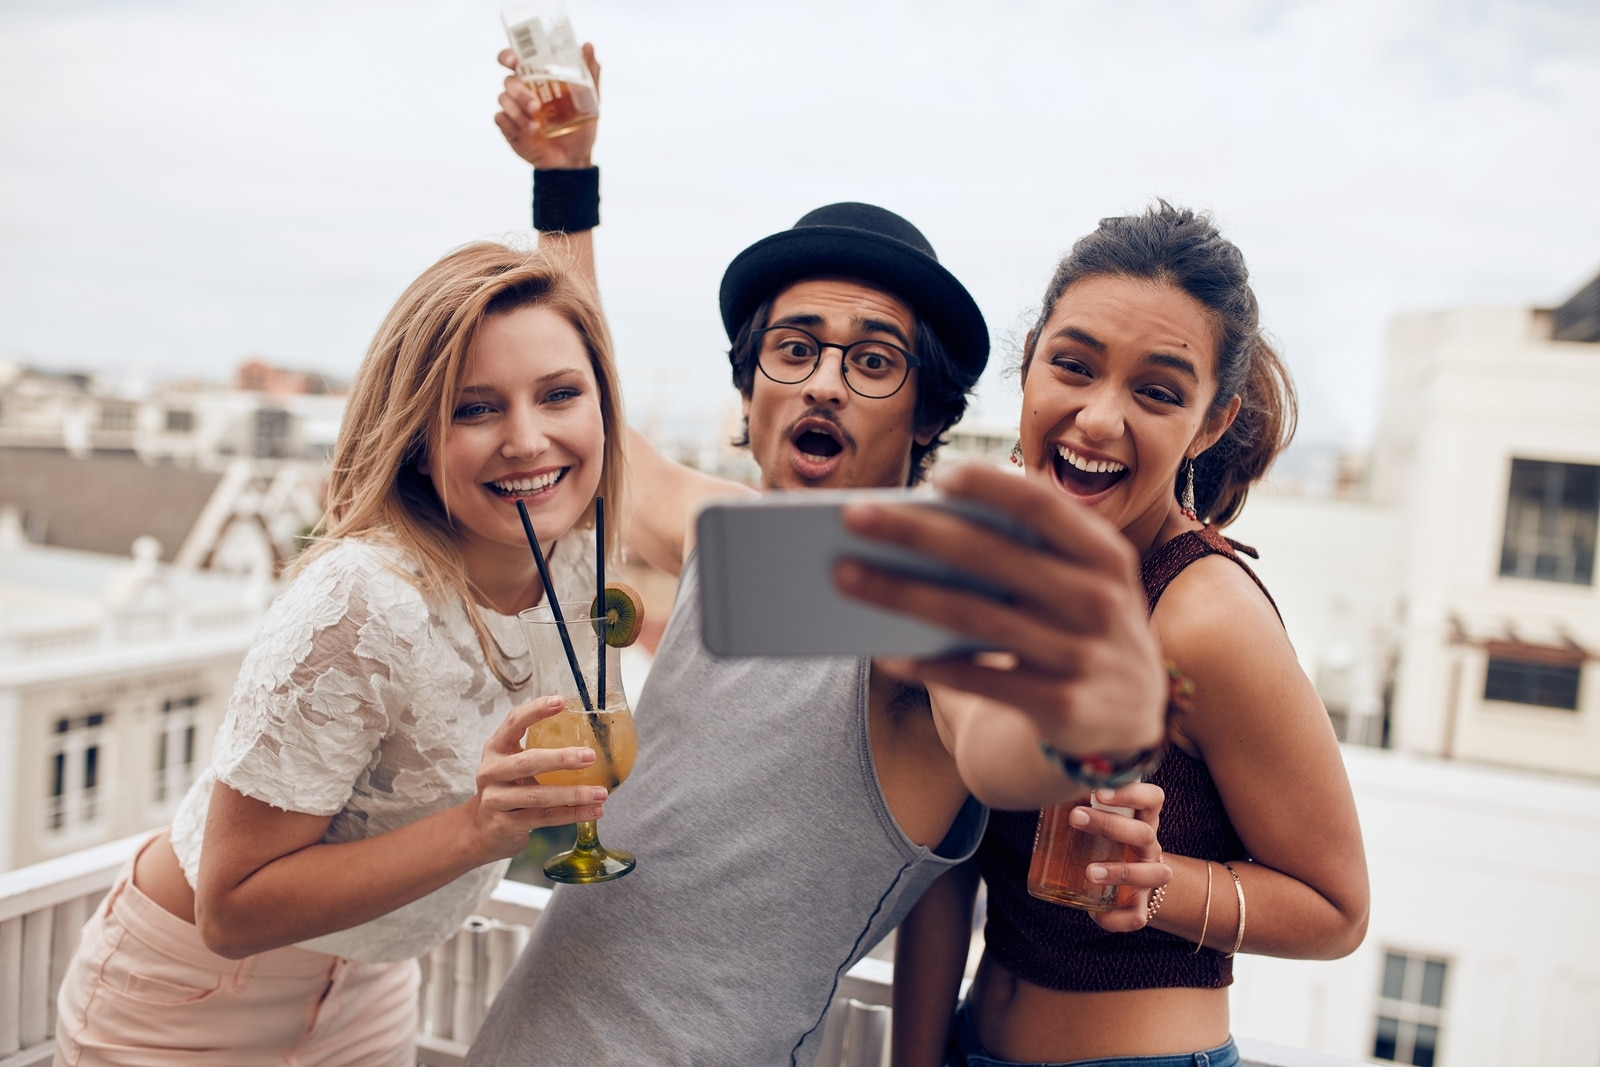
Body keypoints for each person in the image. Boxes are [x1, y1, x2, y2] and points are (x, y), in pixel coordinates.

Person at [465, 52, 1173, 1067]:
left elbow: (992, 745)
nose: (825, 382)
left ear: (927, 413)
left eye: (873, 360)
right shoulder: (735, 543)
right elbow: (597, 413)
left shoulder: (914, 590)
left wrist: (1075, 737)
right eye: (793, 348)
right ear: (748, 389)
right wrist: (566, 181)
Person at [55, 242, 628, 1066]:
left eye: (560, 393)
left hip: (370, 986)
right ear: (417, 440)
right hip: (187, 999)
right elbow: (229, 909)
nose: (527, 439)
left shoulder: (583, 560)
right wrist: (479, 826)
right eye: (474, 408)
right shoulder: (358, 599)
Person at [839, 204, 1371, 1067]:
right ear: (1029, 367)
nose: (1096, 418)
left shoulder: (1202, 615)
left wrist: (1159, 885)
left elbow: (1338, 909)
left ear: (1210, 422)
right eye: (1073, 366)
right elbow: (952, 860)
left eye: (1156, 392)